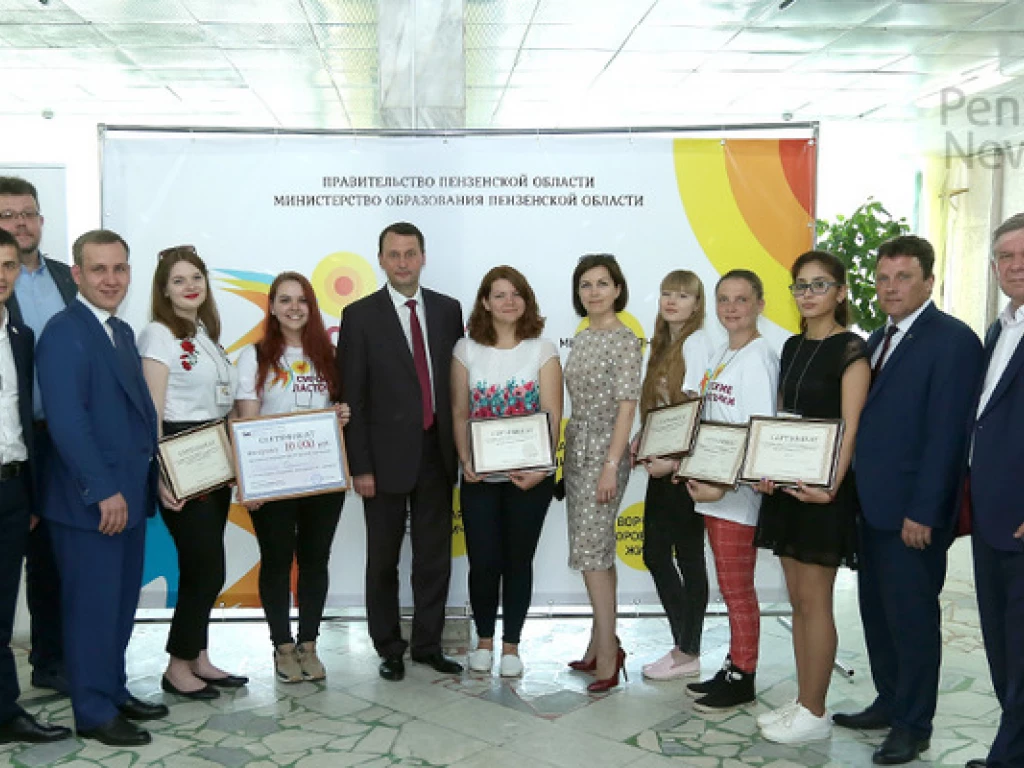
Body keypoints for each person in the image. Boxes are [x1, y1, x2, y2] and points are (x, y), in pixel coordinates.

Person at [833, 235, 982, 766]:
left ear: (928, 282)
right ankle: (889, 701)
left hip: (912, 514)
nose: (891, 287)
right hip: (871, 507)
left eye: (903, 277)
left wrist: (925, 510)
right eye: (883, 278)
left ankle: (914, 724)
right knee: (877, 613)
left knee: (912, 620)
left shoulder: (953, 341)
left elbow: (948, 436)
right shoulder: (877, 338)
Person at [36, 230, 167, 746]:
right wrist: (102, 490)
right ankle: (92, 711)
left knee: (118, 606)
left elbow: (136, 416)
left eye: (119, 268)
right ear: (77, 274)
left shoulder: (121, 331)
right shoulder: (63, 332)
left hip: (129, 496)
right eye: (98, 269)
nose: (111, 280)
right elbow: (67, 422)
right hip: (91, 503)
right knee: (91, 610)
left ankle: (112, 690)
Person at [337, 222, 465, 682]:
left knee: (434, 559)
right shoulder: (359, 316)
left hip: (437, 453)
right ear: (381, 260)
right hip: (382, 460)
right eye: (394, 254)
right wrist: (360, 466)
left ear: (423, 257)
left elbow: (456, 385)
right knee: (383, 560)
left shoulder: (449, 310)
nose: (403, 262)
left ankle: (427, 645)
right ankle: (389, 647)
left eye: (411, 253)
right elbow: (353, 395)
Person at [753, 251, 870, 744]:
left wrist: (831, 486)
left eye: (819, 285)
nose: (808, 294)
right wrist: (765, 468)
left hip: (825, 493)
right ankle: (804, 700)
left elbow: (850, 429)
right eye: (800, 285)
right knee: (798, 600)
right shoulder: (793, 346)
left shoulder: (852, 350)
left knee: (816, 601)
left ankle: (817, 711)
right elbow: (782, 417)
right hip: (787, 489)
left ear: (840, 292)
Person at [138, 245, 247, 700]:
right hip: (181, 457)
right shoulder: (157, 334)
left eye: (196, 277)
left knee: (210, 567)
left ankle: (199, 656)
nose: (190, 286)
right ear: (164, 290)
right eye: (179, 280)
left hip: (213, 457)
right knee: (202, 568)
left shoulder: (206, 333)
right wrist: (160, 473)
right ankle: (177, 666)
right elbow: (151, 409)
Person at [235, 272, 349, 683]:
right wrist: (249, 482)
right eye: (284, 300)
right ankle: (282, 646)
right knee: (277, 561)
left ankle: (309, 644)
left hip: (321, 478)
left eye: (301, 300)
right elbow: (246, 422)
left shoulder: (330, 355)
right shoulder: (254, 356)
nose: (294, 307)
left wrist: (342, 414)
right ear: (272, 306)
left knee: (316, 561)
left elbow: (339, 408)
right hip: (273, 481)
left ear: (312, 306)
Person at [452, 266, 562, 678]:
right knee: (483, 563)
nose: (508, 301)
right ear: (485, 302)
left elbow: (552, 414)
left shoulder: (543, 349)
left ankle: (511, 646)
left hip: (530, 480)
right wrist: (466, 460)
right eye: (499, 295)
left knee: (518, 562)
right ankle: (483, 642)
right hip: (480, 478)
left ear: (526, 300)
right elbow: (459, 411)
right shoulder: (466, 349)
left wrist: (542, 468)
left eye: (516, 294)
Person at [682, 269, 778, 713]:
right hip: (715, 488)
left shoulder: (758, 358)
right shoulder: (725, 351)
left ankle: (744, 677)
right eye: (724, 299)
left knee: (738, 590)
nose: (731, 307)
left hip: (735, 494)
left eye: (742, 299)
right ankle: (733, 664)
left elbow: (757, 433)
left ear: (760, 304)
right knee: (728, 584)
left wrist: (721, 485)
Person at [0, 176, 74, 695]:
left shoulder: (69, 278)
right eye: (7, 215)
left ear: (42, 220)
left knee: (53, 558)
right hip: (19, 441)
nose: (20, 223)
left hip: (65, 439)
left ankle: (52, 663)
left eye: (28, 213)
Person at [563, 253, 641, 694]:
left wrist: (611, 465)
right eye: (585, 285)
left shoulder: (625, 340)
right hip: (578, 451)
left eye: (602, 283)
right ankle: (599, 643)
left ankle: (609, 655)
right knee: (597, 553)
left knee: (592, 553)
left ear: (617, 289)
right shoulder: (583, 338)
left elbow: (627, 407)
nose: (593, 292)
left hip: (605, 454)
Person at [963, 214, 1024, 768]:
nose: (1015, 265)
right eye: (1005, 256)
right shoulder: (998, 330)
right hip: (991, 515)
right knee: (1002, 644)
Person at [632, 270, 711, 682]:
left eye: (682, 295)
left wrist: (678, 464)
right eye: (667, 293)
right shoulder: (664, 344)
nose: (672, 301)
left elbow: (700, 410)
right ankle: (685, 644)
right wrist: (642, 438)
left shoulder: (697, 343)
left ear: (697, 304)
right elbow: (663, 410)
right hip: (662, 464)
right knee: (658, 554)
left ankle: (687, 650)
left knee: (687, 557)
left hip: (683, 468)